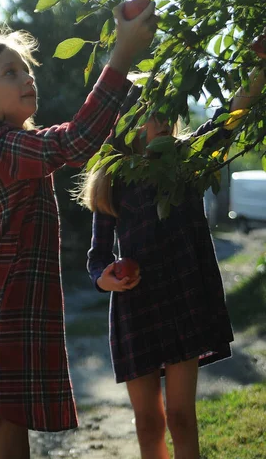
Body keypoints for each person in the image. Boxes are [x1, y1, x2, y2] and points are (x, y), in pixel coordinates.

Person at [0, 3, 158, 459]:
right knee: (8, 447)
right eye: (10, 72)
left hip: (0, 313)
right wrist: (121, 57)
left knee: (4, 446)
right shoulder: (1, 147)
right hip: (0, 319)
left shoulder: (3, 146)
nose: (27, 77)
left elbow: (76, 140)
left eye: (27, 69)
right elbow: (75, 141)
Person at [79, 65, 266, 459]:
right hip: (137, 309)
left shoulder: (185, 162)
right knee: (149, 421)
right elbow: (97, 259)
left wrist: (260, 68)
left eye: (167, 113)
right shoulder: (112, 178)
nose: (163, 122)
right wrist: (106, 279)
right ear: (127, 123)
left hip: (184, 299)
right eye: (151, 114)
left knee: (181, 416)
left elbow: (227, 121)